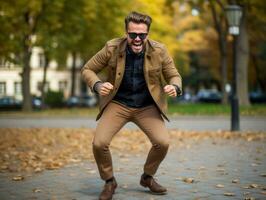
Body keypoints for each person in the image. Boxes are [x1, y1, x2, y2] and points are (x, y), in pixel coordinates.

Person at [81, 11, 182, 200]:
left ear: (148, 34)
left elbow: (174, 74)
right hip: (118, 103)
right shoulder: (111, 48)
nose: (137, 39)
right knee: (99, 143)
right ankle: (109, 181)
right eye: (132, 34)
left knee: (162, 143)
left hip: (147, 106)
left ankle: (147, 177)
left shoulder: (159, 50)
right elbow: (88, 69)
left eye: (142, 35)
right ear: (126, 32)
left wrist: (175, 86)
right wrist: (97, 85)